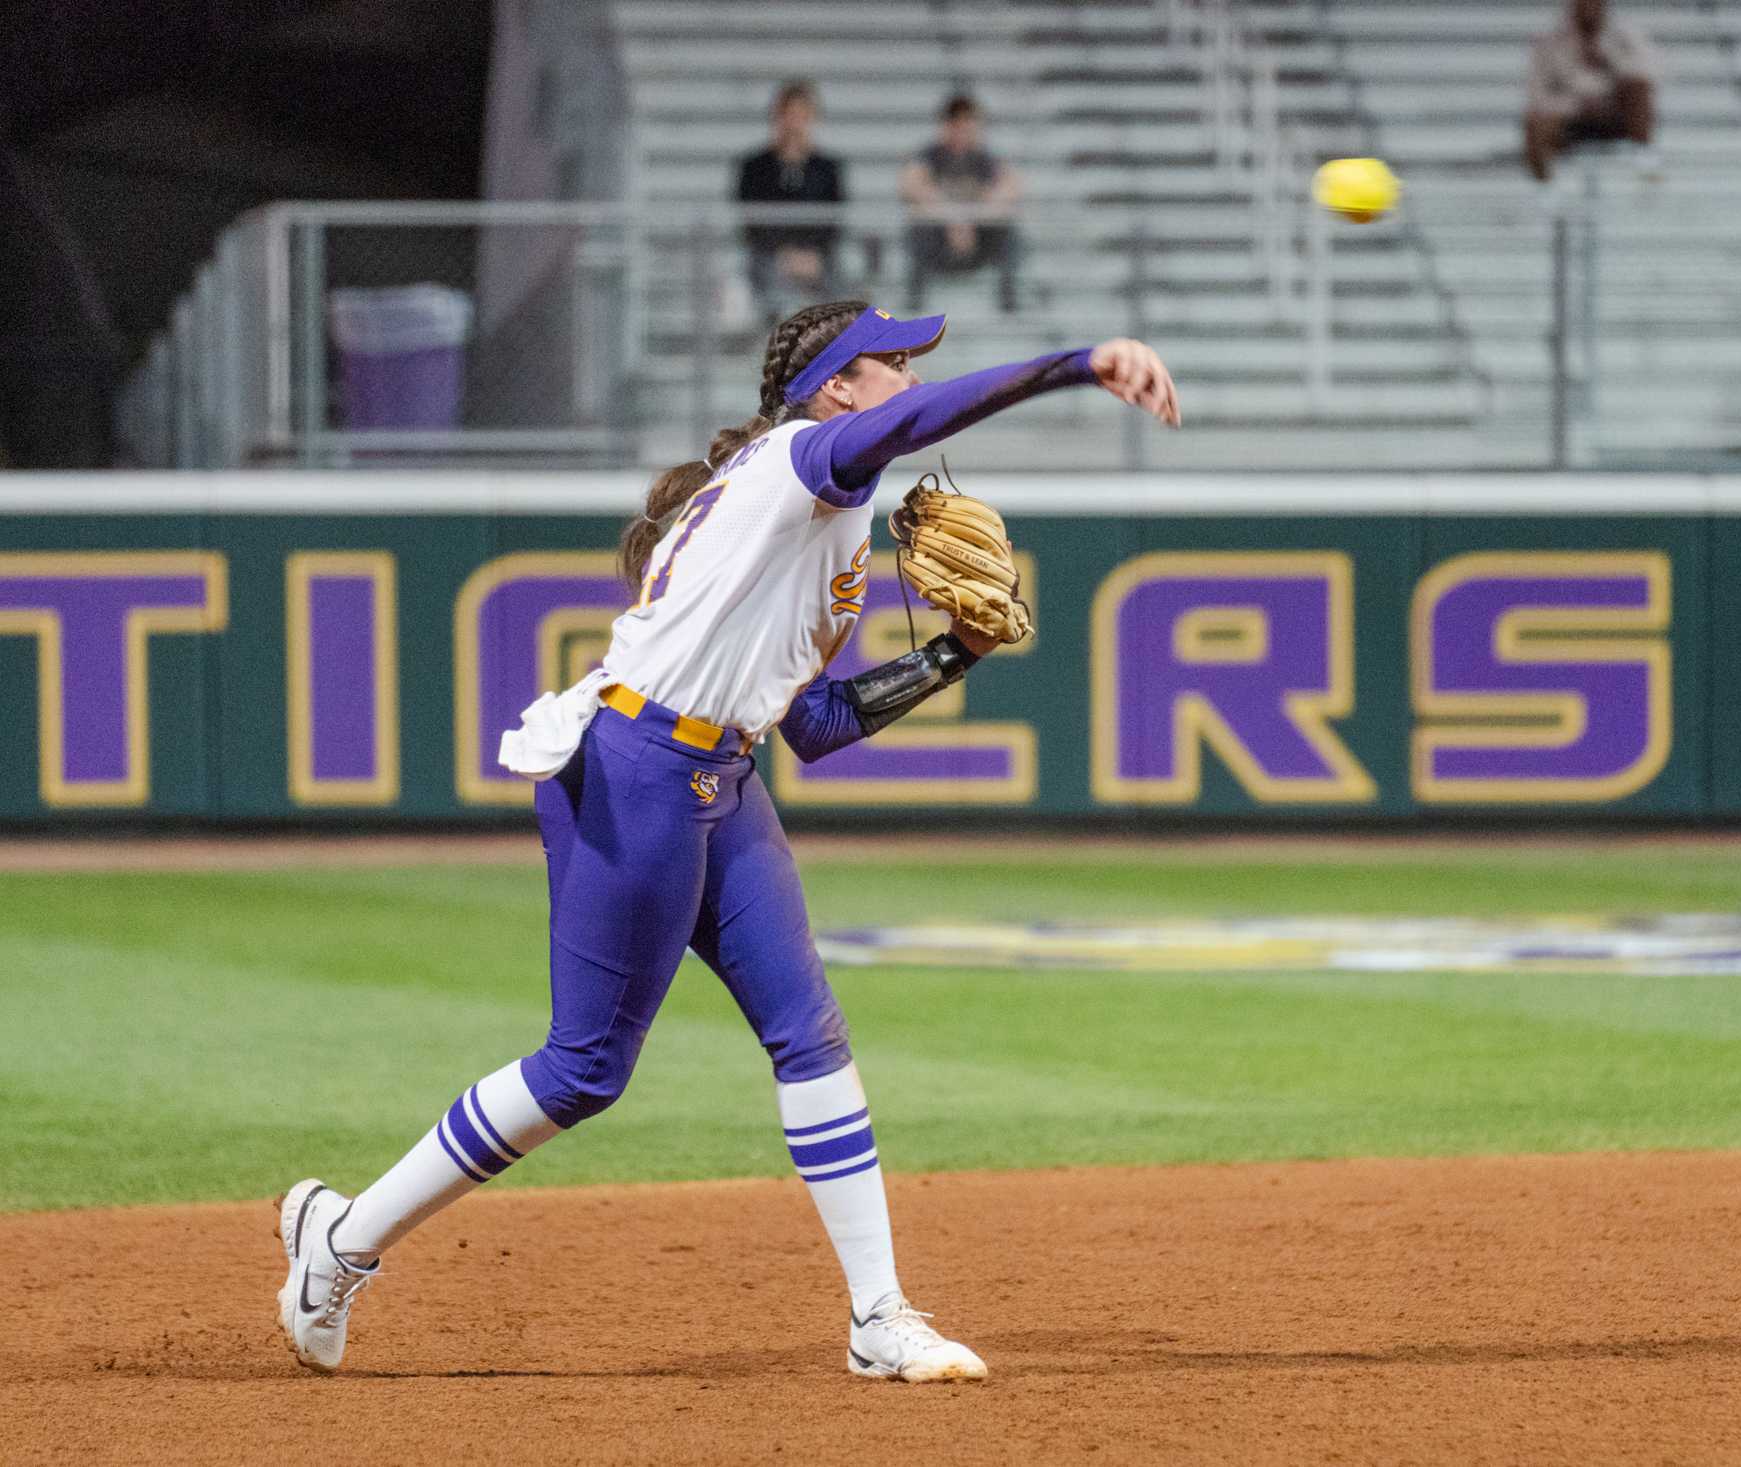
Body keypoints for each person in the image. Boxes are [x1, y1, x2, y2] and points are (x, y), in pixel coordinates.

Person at [273, 301, 1181, 1383]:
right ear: (836, 388)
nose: (904, 377)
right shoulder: (806, 458)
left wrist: (952, 655)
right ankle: (341, 1242)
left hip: (722, 772)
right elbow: (924, 418)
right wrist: (1080, 364)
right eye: (887, 361)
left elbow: (815, 724)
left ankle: (878, 1317)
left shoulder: (824, 516)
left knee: (810, 1034)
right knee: (584, 1070)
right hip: (633, 771)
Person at [900, 95, 1023, 312]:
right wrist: (953, 219)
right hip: (938, 239)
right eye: (956, 122)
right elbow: (912, 188)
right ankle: (914, 303)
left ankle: (1009, 303)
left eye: (968, 121)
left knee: (1009, 233)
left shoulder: (985, 159)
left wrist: (970, 221)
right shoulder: (929, 156)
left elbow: (1010, 190)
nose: (962, 129)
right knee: (916, 230)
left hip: (978, 238)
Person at [732, 80, 845, 310]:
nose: (795, 123)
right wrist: (785, 255)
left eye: (803, 115)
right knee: (766, 279)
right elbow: (751, 221)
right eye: (789, 114)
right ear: (778, 117)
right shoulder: (754, 167)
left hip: (816, 258)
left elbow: (834, 220)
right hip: (769, 256)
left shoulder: (828, 168)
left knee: (840, 283)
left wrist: (810, 255)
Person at [1524, 0, 1659, 183]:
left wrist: (1609, 63)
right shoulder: (1550, 41)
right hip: (1570, 118)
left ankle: (1645, 159)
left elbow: (1648, 74)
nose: (1588, 7)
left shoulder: (1625, 35)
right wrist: (1577, 106)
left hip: (1615, 115)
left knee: (1638, 90)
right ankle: (1547, 191)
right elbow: (1537, 94)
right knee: (1534, 123)